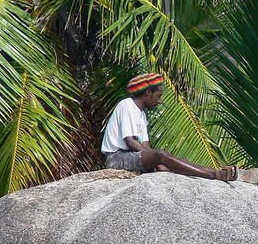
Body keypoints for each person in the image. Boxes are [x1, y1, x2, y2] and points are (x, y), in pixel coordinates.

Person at [101, 73, 238, 181]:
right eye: (158, 96)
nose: (159, 101)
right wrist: (157, 161)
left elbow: (146, 146)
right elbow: (130, 141)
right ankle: (216, 174)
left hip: (131, 155)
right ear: (148, 92)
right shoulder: (127, 105)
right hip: (117, 158)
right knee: (161, 155)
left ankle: (218, 171)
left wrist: (158, 161)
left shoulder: (141, 115)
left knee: (178, 161)